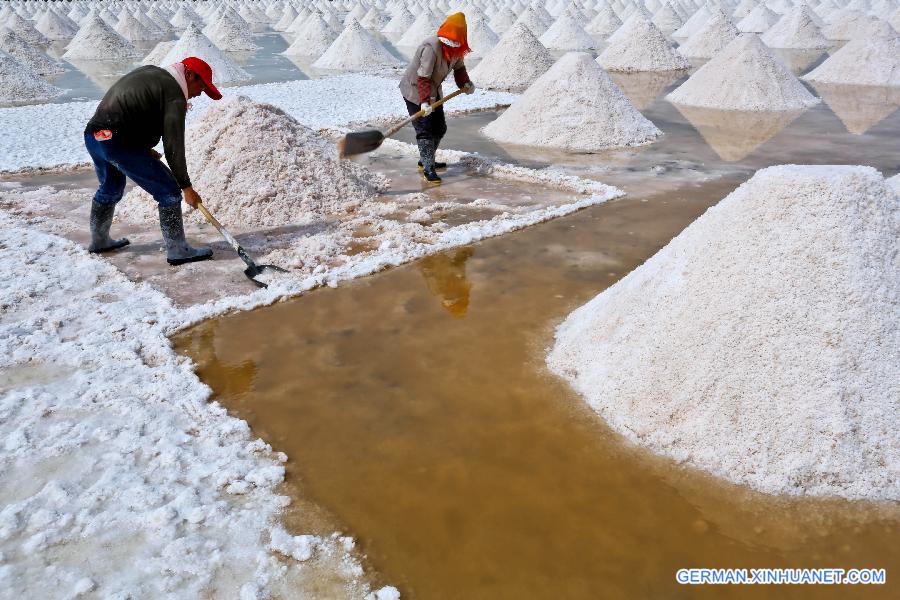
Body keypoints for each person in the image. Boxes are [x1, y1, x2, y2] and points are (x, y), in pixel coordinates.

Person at [84, 56, 221, 265]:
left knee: (110, 188)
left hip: (96, 135)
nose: (198, 94)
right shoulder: (174, 94)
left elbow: (133, 110)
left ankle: (99, 240)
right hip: (117, 142)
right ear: (190, 75)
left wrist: (141, 147)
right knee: (169, 192)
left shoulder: (153, 74)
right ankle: (178, 250)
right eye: (200, 88)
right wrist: (186, 187)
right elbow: (173, 145)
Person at [399, 12, 475, 185]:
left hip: (433, 91)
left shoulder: (456, 49)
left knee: (439, 128)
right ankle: (428, 168)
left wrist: (466, 83)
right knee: (425, 130)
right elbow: (423, 77)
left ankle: (426, 159)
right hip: (415, 90)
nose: (454, 44)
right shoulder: (431, 47)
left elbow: (459, 69)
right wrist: (424, 102)